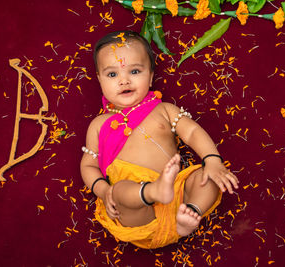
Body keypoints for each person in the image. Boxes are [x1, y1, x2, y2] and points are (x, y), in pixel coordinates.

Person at [80, 31, 239, 249]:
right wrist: (104, 191)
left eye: (135, 71)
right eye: (112, 75)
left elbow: (191, 131)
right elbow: (88, 165)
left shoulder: (163, 109)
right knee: (119, 191)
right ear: (99, 79)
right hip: (138, 212)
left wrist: (212, 160)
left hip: (177, 195)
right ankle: (152, 191)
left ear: (151, 76)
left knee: (205, 177)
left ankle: (191, 212)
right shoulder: (99, 124)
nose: (124, 80)